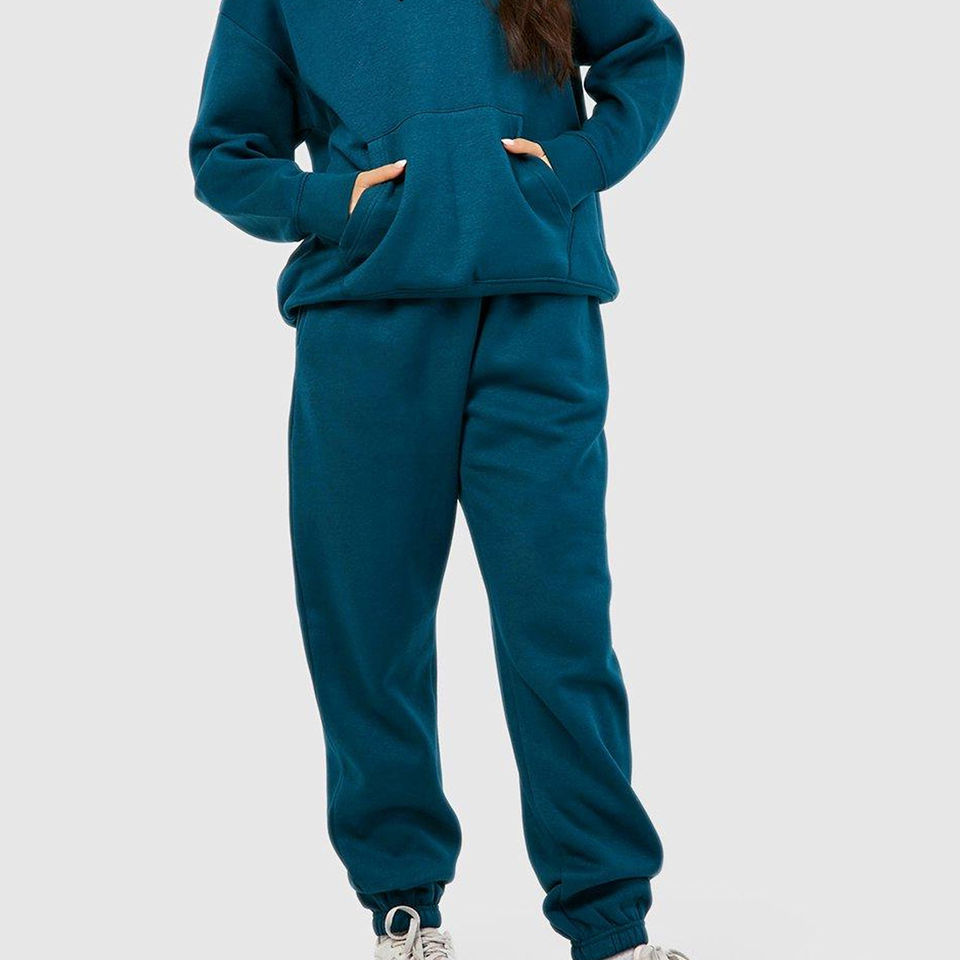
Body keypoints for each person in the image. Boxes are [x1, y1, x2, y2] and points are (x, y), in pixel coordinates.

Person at [190, 0, 685, 957]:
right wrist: (328, 204)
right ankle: (403, 906)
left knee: (560, 622)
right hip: (364, 325)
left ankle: (610, 924)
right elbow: (226, 153)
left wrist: (575, 167)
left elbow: (647, 53)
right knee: (367, 628)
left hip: (538, 314)